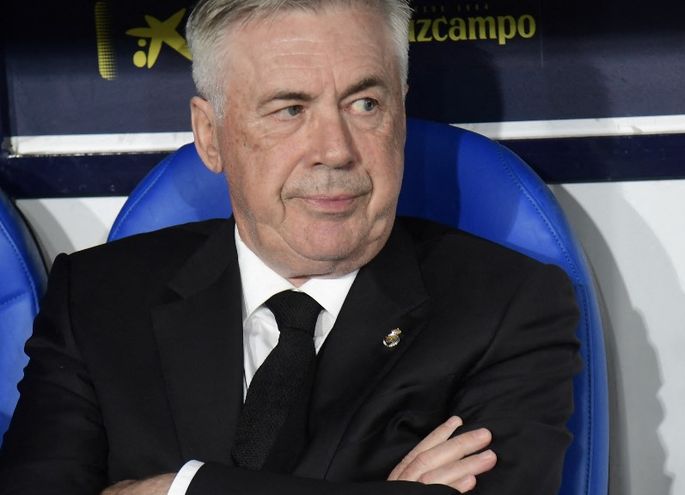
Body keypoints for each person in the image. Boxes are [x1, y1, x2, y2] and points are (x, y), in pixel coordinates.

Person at [0, 1, 581, 494]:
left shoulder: (508, 308)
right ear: (210, 135)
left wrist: (183, 488)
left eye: (365, 104)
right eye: (290, 110)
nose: (335, 150)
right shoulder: (96, 297)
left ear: (401, 114)